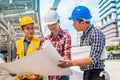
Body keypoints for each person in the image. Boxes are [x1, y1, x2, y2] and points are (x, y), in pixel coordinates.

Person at [58, 6, 106, 80]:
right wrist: (68, 58)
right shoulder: (83, 36)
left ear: (82, 22)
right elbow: (82, 54)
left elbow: (93, 59)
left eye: (74, 22)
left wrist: (72, 63)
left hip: (96, 74)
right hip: (88, 73)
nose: (73, 24)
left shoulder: (96, 33)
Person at [41, 10, 71, 80]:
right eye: (49, 25)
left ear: (58, 21)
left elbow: (67, 56)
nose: (51, 27)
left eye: (53, 24)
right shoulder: (46, 39)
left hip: (62, 76)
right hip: (50, 76)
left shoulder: (66, 36)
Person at [11, 16, 43, 80]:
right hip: (21, 77)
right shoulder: (17, 44)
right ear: (23, 30)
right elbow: (13, 60)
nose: (31, 31)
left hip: (35, 77)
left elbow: (43, 61)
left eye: (32, 28)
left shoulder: (39, 42)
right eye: (28, 28)